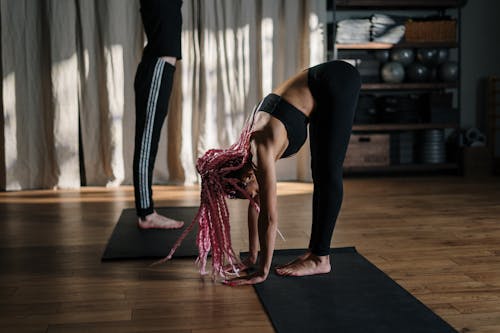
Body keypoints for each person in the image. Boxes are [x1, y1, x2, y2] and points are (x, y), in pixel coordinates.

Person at [163, 60, 361, 285]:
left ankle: (320, 258)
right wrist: (252, 257)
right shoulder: (243, 155)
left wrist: (262, 271)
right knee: (320, 172)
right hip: (320, 90)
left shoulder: (259, 149)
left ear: (244, 178)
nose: (250, 197)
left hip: (337, 79)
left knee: (328, 171)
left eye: (243, 193)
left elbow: (269, 216)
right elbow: (256, 205)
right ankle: (316, 251)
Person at [133, 0, 184, 230]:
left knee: (148, 143)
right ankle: (146, 213)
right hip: (156, 69)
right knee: (146, 145)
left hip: (162, 70)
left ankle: (146, 211)